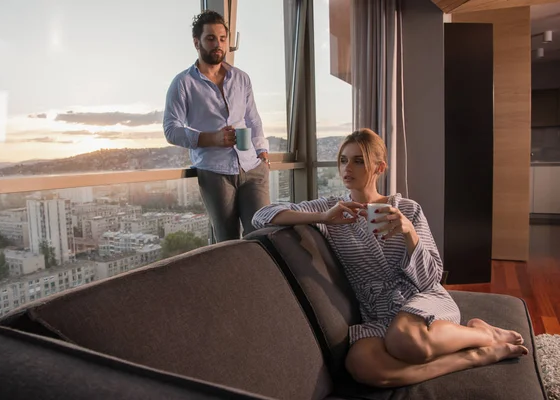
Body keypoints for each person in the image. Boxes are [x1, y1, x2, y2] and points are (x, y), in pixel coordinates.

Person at [252, 128, 528, 388]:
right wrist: (323, 217)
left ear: (379, 168)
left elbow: (431, 279)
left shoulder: (407, 209)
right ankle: (470, 357)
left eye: (359, 161)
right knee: (362, 365)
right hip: (376, 311)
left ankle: (486, 335)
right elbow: (260, 216)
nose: (347, 168)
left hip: (418, 298)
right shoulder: (331, 208)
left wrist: (409, 232)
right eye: (343, 160)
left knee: (404, 340)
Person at [163, 10, 270, 242]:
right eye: (210, 38)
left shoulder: (241, 78)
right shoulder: (183, 83)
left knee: (264, 236)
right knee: (227, 242)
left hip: (252, 168)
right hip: (215, 172)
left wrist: (262, 151)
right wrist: (213, 138)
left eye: (222, 39)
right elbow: (171, 129)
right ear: (196, 42)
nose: (218, 44)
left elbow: (253, 118)